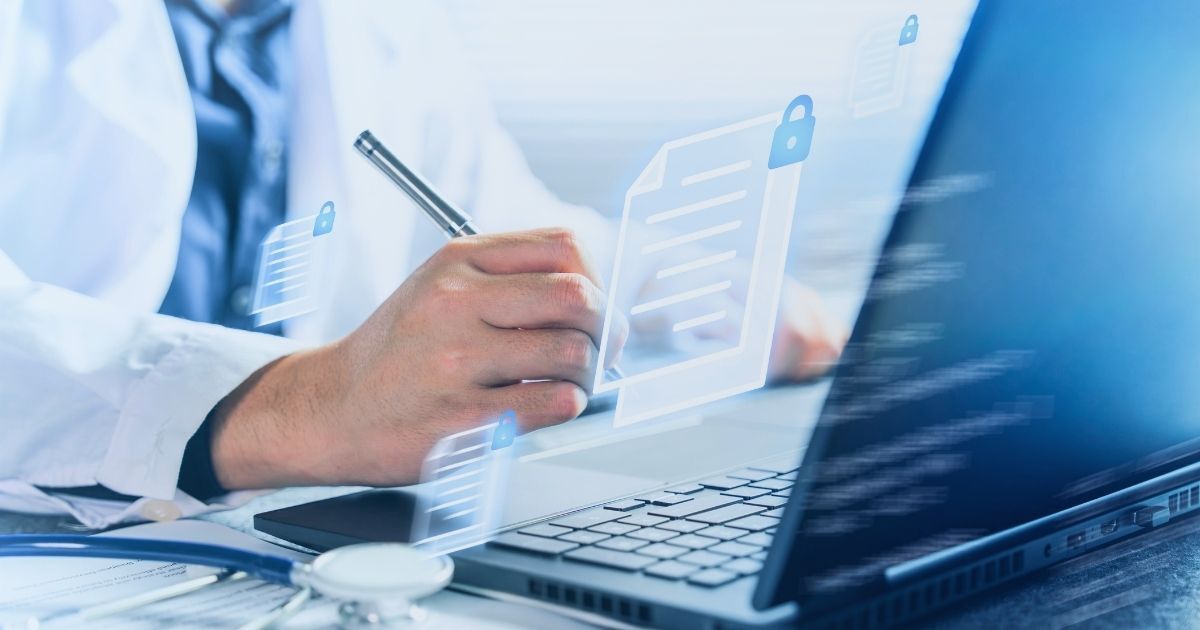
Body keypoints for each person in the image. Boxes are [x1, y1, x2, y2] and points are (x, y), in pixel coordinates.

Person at [0, 0, 846, 529]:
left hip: (264, 532)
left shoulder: (379, 23)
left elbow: (500, 216)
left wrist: (718, 297)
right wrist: (307, 405)